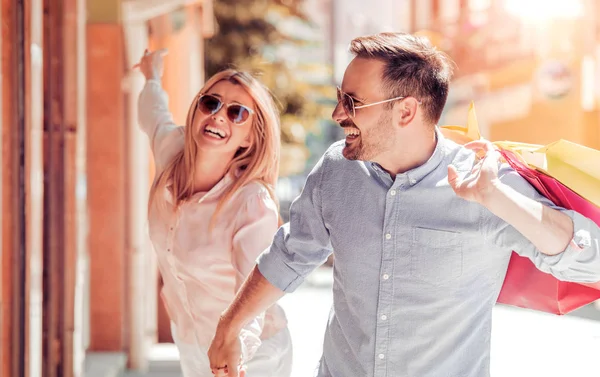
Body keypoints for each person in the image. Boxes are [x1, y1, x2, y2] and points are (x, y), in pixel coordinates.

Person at [206, 33, 600, 377]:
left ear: (406, 111)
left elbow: (591, 260)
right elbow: (290, 255)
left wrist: (499, 200)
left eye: (352, 101)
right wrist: (229, 327)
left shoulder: (487, 183)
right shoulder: (336, 170)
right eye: (339, 98)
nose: (337, 114)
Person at [136, 49, 292, 377]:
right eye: (212, 103)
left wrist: (234, 348)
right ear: (196, 109)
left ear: (250, 138)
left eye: (237, 113)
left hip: (250, 352)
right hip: (191, 340)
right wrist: (152, 75)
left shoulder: (252, 204)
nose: (219, 116)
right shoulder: (170, 148)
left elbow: (254, 286)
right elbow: (153, 111)